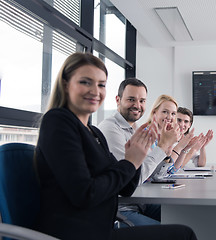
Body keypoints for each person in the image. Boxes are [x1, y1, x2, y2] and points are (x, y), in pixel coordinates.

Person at [34, 52, 197, 240]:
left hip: (101, 227)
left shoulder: (93, 133)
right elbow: (85, 194)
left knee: (186, 226)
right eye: (85, 82)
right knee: (184, 234)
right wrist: (131, 162)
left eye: (101, 84)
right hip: (81, 232)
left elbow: (126, 187)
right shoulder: (58, 121)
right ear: (65, 85)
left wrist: (136, 156)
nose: (95, 91)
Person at [98, 78, 179, 227]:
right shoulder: (111, 129)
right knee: (178, 231)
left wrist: (166, 152)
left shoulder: (135, 129)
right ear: (118, 100)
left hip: (140, 203)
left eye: (142, 101)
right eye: (131, 99)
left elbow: (153, 176)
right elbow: (132, 180)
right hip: (121, 209)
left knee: (185, 215)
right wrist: (162, 146)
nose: (137, 105)